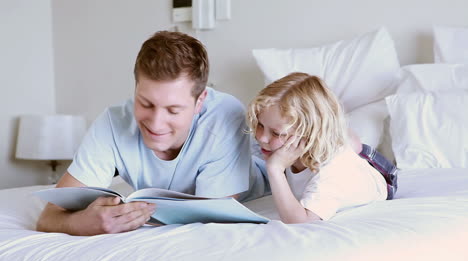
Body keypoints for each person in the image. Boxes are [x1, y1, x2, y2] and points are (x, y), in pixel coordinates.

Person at [36, 31, 268, 235]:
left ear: (200, 101)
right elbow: (48, 216)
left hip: (258, 175)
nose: (156, 124)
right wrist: (80, 223)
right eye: (146, 104)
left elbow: (209, 220)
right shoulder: (113, 122)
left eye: (173, 110)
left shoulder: (225, 116)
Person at [246, 72, 397, 224]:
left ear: (308, 134)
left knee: (349, 150)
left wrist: (275, 169)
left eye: (276, 133)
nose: (261, 137)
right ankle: (348, 140)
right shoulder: (284, 144)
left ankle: (350, 142)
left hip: (379, 177)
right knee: (346, 145)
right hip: (331, 150)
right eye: (260, 124)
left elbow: (300, 222)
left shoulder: (330, 175)